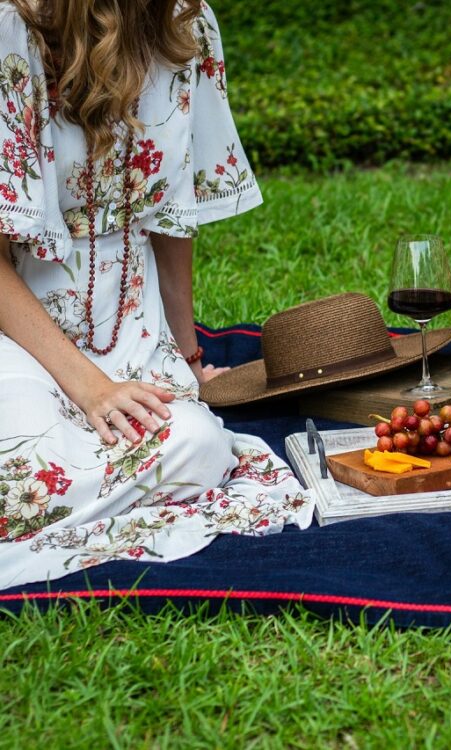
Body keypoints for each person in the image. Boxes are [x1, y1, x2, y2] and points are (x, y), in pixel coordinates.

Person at [0, 0, 312, 588]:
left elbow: (174, 216)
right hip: (18, 332)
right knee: (23, 477)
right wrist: (91, 389)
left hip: (132, 330)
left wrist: (187, 358)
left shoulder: (187, 24)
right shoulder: (12, 29)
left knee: (200, 446)